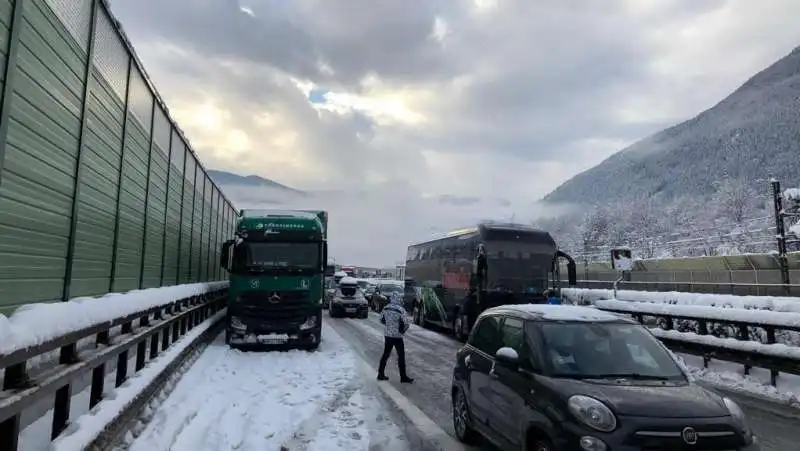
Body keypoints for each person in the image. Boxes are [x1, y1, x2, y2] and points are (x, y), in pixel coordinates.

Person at [378, 291, 414, 383]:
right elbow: (406, 323)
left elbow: (381, 319)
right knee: (401, 356)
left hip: (388, 335)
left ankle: (380, 374)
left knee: (385, 354)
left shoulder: (386, 308)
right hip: (397, 337)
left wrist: (388, 326)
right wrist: (402, 331)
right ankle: (403, 377)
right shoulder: (401, 310)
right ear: (399, 299)